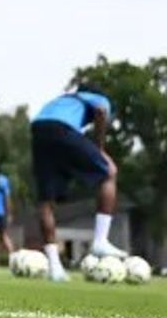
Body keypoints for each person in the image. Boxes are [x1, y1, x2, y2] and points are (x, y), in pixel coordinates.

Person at [31, 85, 127, 282]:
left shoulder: (62, 99)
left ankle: (55, 268)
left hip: (38, 130)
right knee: (109, 172)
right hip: (61, 128)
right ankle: (100, 240)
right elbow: (101, 111)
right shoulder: (99, 99)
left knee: (46, 201)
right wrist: (99, 148)